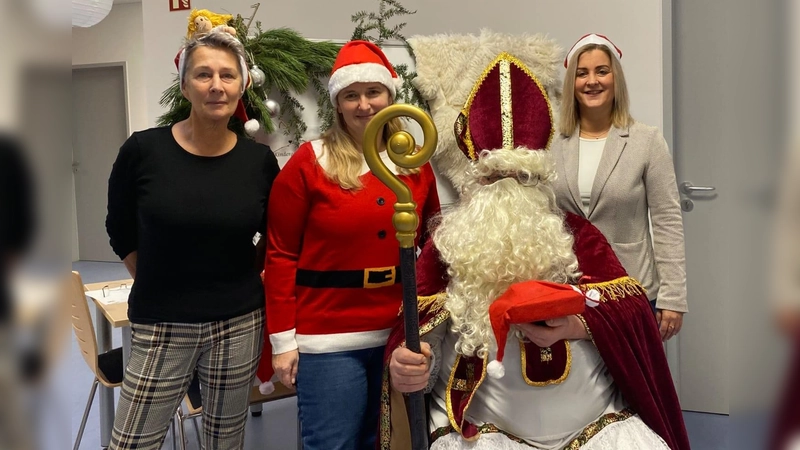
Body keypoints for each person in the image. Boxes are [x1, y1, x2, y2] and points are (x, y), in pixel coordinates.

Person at [382, 35, 690, 450]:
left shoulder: (576, 236)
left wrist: (579, 325)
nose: (508, 188)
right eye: (494, 178)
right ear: (476, 179)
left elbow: (630, 310)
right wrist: (408, 367)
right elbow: (419, 339)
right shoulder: (450, 245)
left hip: (593, 428)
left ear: (542, 181)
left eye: (523, 177)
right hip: (485, 431)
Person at [105, 27, 280, 449]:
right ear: (184, 85)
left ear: (243, 86)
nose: (216, 86)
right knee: (131, 442)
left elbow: (273, 234)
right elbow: (119, 227)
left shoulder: (258, 160)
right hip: (161, 323)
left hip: (239, 324)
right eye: (203, 75)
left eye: (227, 75)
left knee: (225, 442)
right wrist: (153, 277)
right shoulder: (143, 151)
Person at [264, 40, 441, 449]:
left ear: (390, 96)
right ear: (338, 103)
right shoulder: (311, 161)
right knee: (334, 443)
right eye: (351, 95)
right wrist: (283, 343)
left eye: (372, 92)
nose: (364, 105)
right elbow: (281, 254)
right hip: (328, 339)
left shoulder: (414, 162)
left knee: (391, 440)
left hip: (399, 334)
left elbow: (434, 245)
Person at [549, 33, 688, 341]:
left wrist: (673, 297)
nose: (592, 81)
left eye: (602, 71)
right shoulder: (551, 144)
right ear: (572, 83)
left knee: (634, 384)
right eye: (582, 73)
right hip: (568, 287)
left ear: (616, 79)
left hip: (631, 289)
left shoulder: (647, 141)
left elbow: (667, 221)